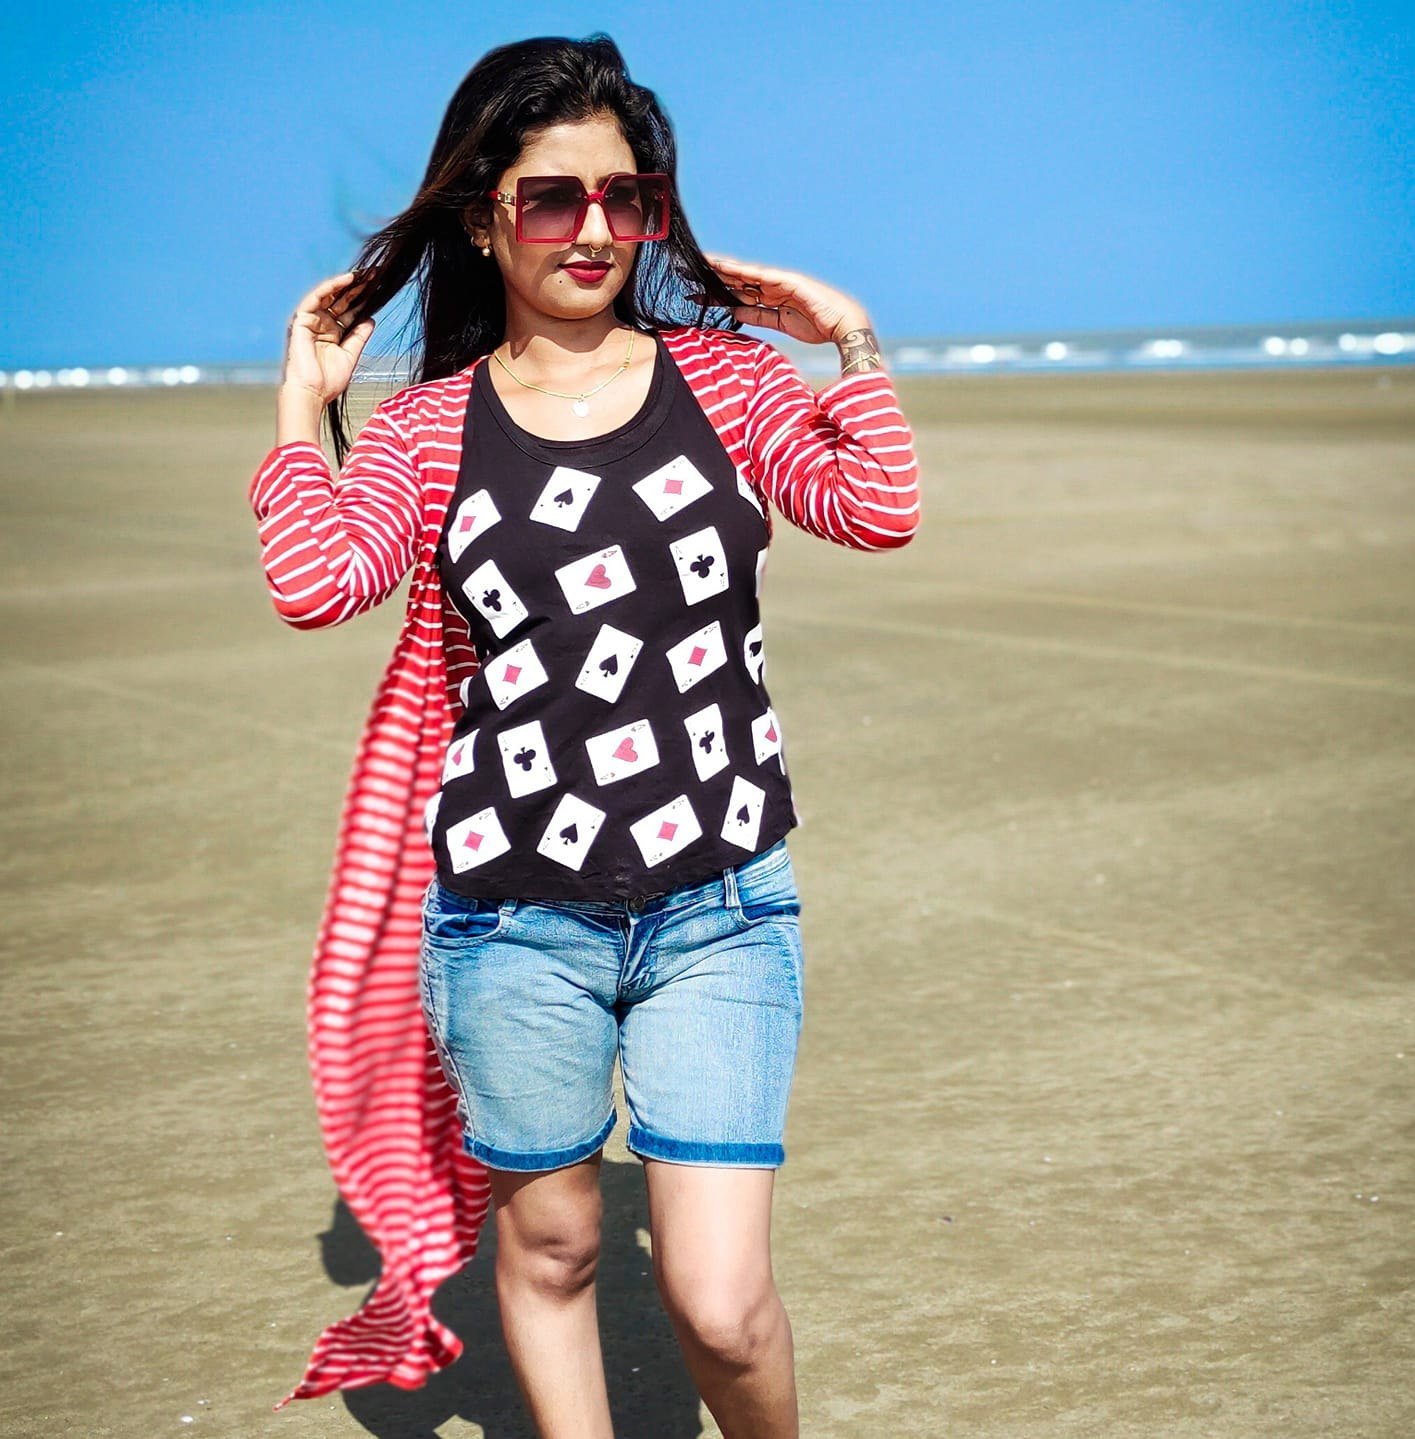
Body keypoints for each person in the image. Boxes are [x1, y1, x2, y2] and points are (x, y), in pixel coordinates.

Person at [247, 32, 920, 1439]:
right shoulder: (429, 428)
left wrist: (849, 334)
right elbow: (318, 583)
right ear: (484, 217)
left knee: (721, 1303)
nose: (595, 229)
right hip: (511, 924)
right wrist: (305, 405)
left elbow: (877, 506)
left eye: (629, 198)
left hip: (721, 908)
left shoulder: (726, 383)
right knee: (551, 1251)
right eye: (554, 198)